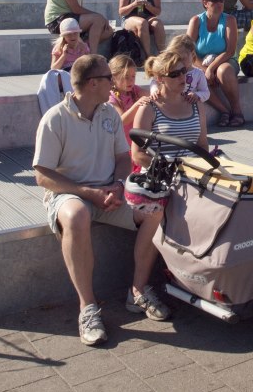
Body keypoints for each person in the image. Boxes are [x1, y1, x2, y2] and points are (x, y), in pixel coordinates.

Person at [33, 54, 169, 347]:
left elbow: (122, 157)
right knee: (77, 215)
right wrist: (88, 192)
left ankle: (138, 290)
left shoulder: (108, 113)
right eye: (108, 77)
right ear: (94, 83)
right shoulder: (55, 118)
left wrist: (119, 186)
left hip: (108, 192)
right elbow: (42, 175)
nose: (113, 82)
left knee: (154, 210)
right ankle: (88, 308)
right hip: (69, 195)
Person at [186, 0, 244, 128]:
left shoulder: (230, 20)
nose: (219, 4)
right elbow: (188, 50)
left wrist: (210, 69)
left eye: (221, 0)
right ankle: (224, 111)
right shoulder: (196, 21)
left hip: (226, 60)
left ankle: (237, 112)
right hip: (199, 62)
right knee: (196, 76)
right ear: (205, 3)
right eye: (214, 0)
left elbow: (230, 51)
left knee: (223, 71)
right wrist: (204, 69)